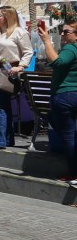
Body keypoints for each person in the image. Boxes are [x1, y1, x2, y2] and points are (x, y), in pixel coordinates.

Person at [0, 6, 32, 149]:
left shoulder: (19, 32)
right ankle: (6, 138)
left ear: (8, 17)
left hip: (7, 71)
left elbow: (28, 52)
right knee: (1, 105)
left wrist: (20, 66)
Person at [38, 20, 77, 185]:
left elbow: (58, 62)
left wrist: (46, 41)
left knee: (69, 135)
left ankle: (74, 173)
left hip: (65, 95)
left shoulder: (71, 47)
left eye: (66, 32)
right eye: (62, 31)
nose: (62, 34)